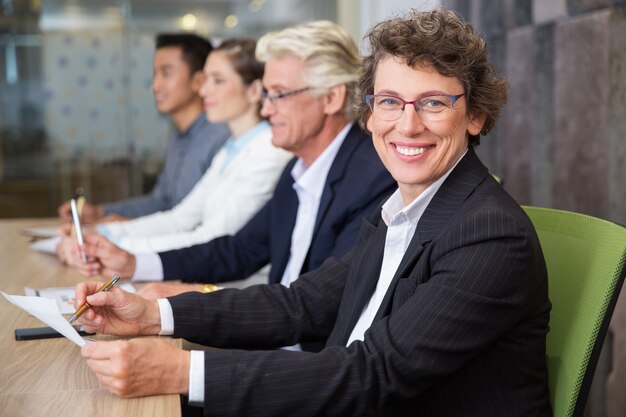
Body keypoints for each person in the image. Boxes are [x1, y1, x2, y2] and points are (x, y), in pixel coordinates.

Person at [76, 9, 552, 416]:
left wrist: (182, 371)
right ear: (368, 115)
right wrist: (152, 315)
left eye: (432, 103)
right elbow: (299, 304)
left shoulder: (489, 234)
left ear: (475, 116)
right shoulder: (402, 210)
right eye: (389, 102)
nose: (407, 125)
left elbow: (374, 375)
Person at [72, 21, 396, 308]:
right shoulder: (297, 170)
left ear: (331, 98)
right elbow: (238, 251)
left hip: (307, 359)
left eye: (279, 94)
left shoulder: (372, 178)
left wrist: (189, 301)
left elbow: (314, 304)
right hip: (276, 339)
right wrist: (134, 264)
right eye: (266, 95)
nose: (266, 110)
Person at [58, 39, 291, 256]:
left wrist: (116, 247)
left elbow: (213, 238)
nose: (203, 90)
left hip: (232, 285)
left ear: (253, 91)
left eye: (217, 80)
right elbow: (180, 219)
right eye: (206, 79)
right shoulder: (232, 148)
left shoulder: (268, 152)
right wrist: (103, 235)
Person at [57, 33, 230, 223]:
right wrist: (100, 212)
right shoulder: (177, 138)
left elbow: (209, 222)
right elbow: (162, 201)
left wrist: (132, 228)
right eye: (155, 74)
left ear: (198, 81)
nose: (155, 86)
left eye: (166, 73)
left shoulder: (220, 138)